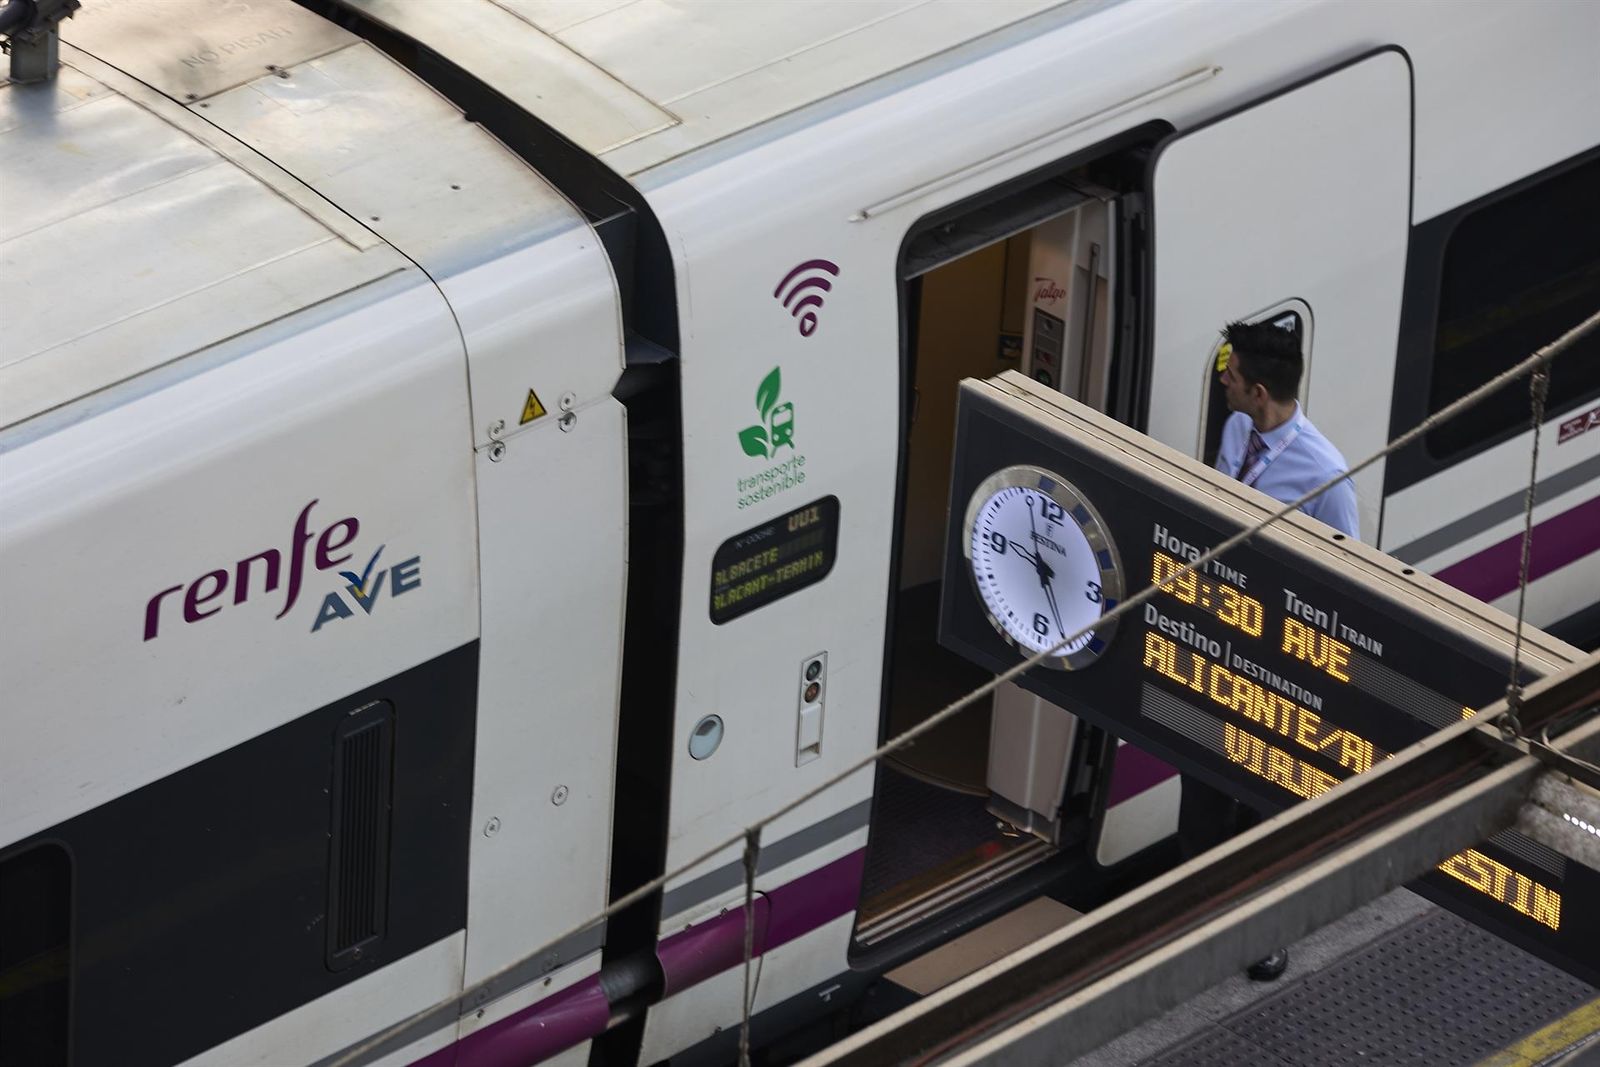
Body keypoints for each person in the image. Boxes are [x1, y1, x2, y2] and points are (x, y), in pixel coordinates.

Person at [1179, 320, 1360, 982]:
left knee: (1265, 807)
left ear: (1257, 391)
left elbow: (1346, 581)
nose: (1220, 378)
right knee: (1199, 785)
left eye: (1229, 373)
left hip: (1277, 666)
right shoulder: (1235, 432)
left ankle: (1264, 936)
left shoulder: (1327, 475)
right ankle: (1197, 921)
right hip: (1219, 641)